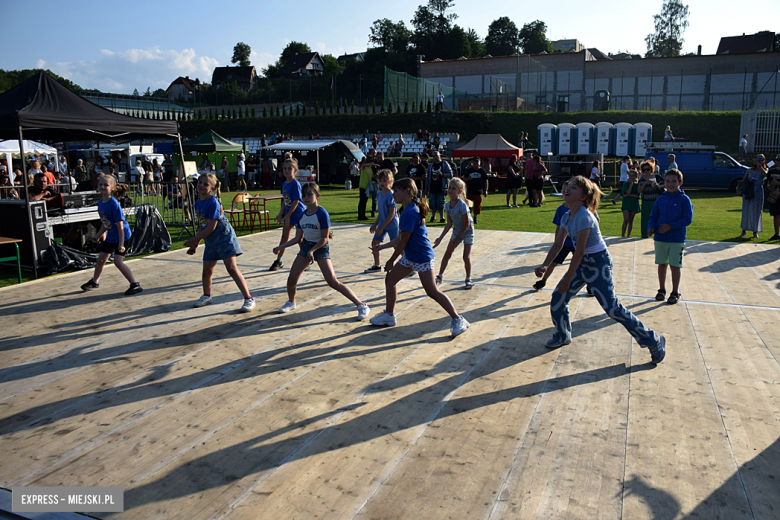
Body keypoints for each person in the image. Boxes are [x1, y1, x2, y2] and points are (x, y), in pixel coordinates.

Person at [534, 176, 666, 363]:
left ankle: (654, 340)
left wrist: (566, 279)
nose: (567, 188)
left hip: (598, 264)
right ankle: (562, 335)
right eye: (567, 185)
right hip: (582, 263)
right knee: (558, 298)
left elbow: (579, 252)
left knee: (613, 309)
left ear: (582, 197)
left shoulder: (585, 216)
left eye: (573, 187)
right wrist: (545, 264)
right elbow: (558, 244)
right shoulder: (566, 215)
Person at [368, 178, 470, 336]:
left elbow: (403, 241)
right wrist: (382, 246)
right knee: (390, 280)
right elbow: (401, 238)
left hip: (422, 257)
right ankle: (389, 315)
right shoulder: (408, 209)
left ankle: (458, 319)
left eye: (396, 191)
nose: (393, 194)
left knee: (432, 291)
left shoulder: (410, 212)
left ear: (406, 191)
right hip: (411, 256)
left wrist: (390, 260)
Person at [273, 182, 370, 319]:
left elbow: (324, 238)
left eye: (310, 194)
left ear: (317, 196)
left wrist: (312, 251)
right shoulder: (301, 215)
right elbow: (297, 238)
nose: (306, 198)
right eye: (304, 195)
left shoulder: (322, 214)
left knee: (332, 281)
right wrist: (280, 247)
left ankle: (361, 305)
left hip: (320, 248)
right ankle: (291, 302)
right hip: (306, 247)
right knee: (292, 279)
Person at [184, 173, 255, 312]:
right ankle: (207, 295)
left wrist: (192, 239)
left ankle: (248, 298)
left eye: (206, 184)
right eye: (200, 182)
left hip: (224, 238)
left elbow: (211, 227)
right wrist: (195, 244)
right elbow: (202, 225)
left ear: (212, 189)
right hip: (211, 241)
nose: (201, 185)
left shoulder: (213, 202)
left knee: (231, 268)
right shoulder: (198, 203)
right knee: (207, 271)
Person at [80, 175, 143, 296]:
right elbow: (106, 222)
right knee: (101, 259)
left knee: (118, 262)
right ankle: (95, 281)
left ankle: (135, 284)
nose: (102, 187)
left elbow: (120, 226)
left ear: (113, 187)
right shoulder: (100, 203)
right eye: (100, 184)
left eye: (106, 185)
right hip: (111, 235)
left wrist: (121, 244)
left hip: (122, 236)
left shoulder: (113, 204)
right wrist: (98, 236)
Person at [648, 169, 693, 305]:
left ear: (680, 182)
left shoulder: (684, 200)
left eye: (674, 181)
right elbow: (653, 215)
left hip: (676, 239)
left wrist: (671, 226)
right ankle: (661, 289)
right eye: (667, 181)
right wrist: (651, 227)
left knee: (675, 266)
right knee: (662, 264)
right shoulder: (661, 199)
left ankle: (675, 292)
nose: (670, 184)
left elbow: (687, 219)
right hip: (661, 238)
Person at [432, 177, 474, 289]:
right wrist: (440, 238)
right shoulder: (447, 205)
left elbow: (467, 224)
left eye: (454, 188)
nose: (450, 190)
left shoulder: (462, 205)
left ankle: (468, 278)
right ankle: (440, 276)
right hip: (457, 231)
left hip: (467, 231)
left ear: (460, 191)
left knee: (466, 257)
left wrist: (457, 238)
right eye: (449, 187)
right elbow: (449, 224)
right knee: (447, 253)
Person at [270, 158, 306, 270]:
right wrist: (281, 214)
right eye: (285, 168)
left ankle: (306, 260)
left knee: (300, 238)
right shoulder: (285, 184)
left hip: (298, 214)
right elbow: (285, 201)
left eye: (290, 168)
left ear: (295, 170)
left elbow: (296, 201)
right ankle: (279, 260)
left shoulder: (295, 184)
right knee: (284, 237)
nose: (287, 170)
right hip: (288, 214)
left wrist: (288, 215)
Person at [364, 170, 399, 273]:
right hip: (382, 224)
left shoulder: (391, 195)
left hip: (392, 224)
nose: (382, 183)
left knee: (397, 245)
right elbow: (381, 212)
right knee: (375, 243)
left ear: (391, 181)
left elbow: (391, 214)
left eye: (385, 180)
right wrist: (375, 224)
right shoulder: (379, 194)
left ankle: (410, 265)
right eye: (380, 180)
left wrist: (381, 227)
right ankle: (377, 265)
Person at [740, 154, 768, 239]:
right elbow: (743, 180)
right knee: (746, 211)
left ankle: (755, 232)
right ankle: (743, 231)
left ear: (764, 161)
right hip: (749, 191)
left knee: (756, 212)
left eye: (761, 159)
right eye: (757, 158)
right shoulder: (749, 170)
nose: (759, 160)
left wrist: (759, 165)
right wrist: (747, 181)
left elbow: (764, 174)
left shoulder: (765, 169)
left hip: (758, 191)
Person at [424, 150, 452, 223]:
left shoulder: (445, 164)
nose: (435, 157)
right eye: (433, 156)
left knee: (440, 203)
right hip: (432, 188)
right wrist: (426, 189)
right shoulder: (430, 165)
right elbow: (427, 178)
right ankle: (433, 217)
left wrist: (442, 174)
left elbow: (450, 174)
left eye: (436, 155)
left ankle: (442, 217)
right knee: (432, 203)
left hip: (441, 187)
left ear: (440, 155)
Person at [638, 161, 662, 238]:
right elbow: (639, 190)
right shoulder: (642, 179)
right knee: (644, 220)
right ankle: (644, 235)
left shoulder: (656, 177)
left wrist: (658, 186)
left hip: (655, 201)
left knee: (656, 218)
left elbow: (665, 184)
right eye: (644, 170)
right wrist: (645, 183)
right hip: (645, 201)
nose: (646, 171)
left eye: (647, 169)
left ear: (651, 169)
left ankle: (658, 235)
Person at [621, 169, 640, 237]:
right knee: (626, 220)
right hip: (626, 204)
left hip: (633, 204)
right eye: (630, 176)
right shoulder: (625, 184)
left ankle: (628, 235)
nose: (631, 177)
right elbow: (626, 193)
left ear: (636, 176)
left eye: (633, 176)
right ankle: (622, 235)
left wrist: (628, 195)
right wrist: (631, 184)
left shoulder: (637, 185)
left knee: (631, 220)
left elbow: (637, 195)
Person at [357, 155, 376, 221]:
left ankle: (363, 215)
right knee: (362, 201)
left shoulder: (370, 169)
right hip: (363, 186)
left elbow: (373, 176)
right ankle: (360, 215)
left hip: (367, 187)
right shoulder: (363, 167)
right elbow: (363, 165)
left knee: (365, 201)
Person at [766, 155, 780, 241]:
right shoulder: (772, 171)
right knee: (776, 215)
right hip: (775, 196)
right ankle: (776, 233)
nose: (779, 162)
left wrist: (778, 183)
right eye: (777, 160)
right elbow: (768, 182)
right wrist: (769, 187)